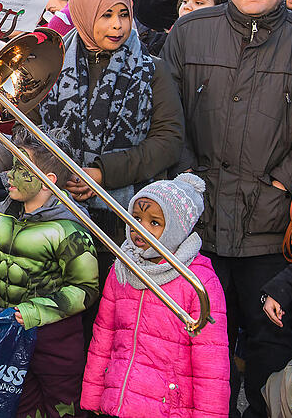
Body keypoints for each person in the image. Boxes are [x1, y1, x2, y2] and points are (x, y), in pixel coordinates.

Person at [163, 0, 292, 418]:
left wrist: (283, 180)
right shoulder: (191, 33)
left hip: (271, 233)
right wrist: (188, 178)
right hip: (200, 226)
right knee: (203, 356)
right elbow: (168, 117)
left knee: (270, 358)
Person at [37, 0, 185, 285]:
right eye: (106, 15)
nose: (117, 25)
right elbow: (32, 130)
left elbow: (169, 140)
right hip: (56, 215)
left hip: (124, 223)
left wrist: (103, 174)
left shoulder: (152, 69)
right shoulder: (50, 64)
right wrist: (63, 174)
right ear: (82, 13)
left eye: (124, 15)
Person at [0, 126, 99, 418]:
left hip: (57, 340)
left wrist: (37, 312)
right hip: (11, 334)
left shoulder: (69, 228)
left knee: (62, 406)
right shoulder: (1, 216)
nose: (9, 175)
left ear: (47, 181)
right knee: (18, 405)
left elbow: (86, 290)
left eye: (21, 169)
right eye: (12, 166)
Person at [81, 173, 229, 418]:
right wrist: (93, 396)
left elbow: (211, 366)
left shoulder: (198, 281)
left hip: (167, 408)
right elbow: (103, 335)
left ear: (176, 228)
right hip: (117, 401)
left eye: (155, 223)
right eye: (136, 218)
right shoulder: (123, 266)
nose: (141, 229)